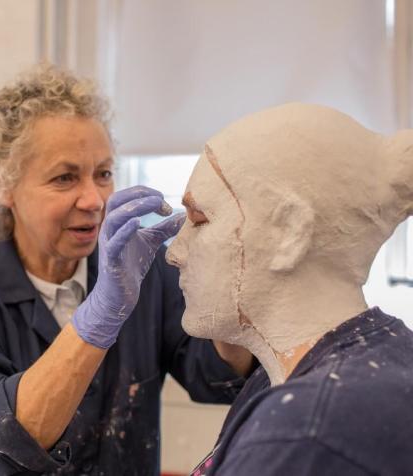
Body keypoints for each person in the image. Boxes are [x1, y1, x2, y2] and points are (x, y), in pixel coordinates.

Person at [0, 64, 253, 476]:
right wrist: (98, 319)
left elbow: (212, 370)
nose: (94, 199)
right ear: (0, 183)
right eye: (64, 178)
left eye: (102, 173)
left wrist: (232, 282)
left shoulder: (141, 266)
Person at [166, 103, 413, 475]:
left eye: (200, 220)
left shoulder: (304, 432)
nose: (174, 253)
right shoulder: (292, 372)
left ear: (289, 233)